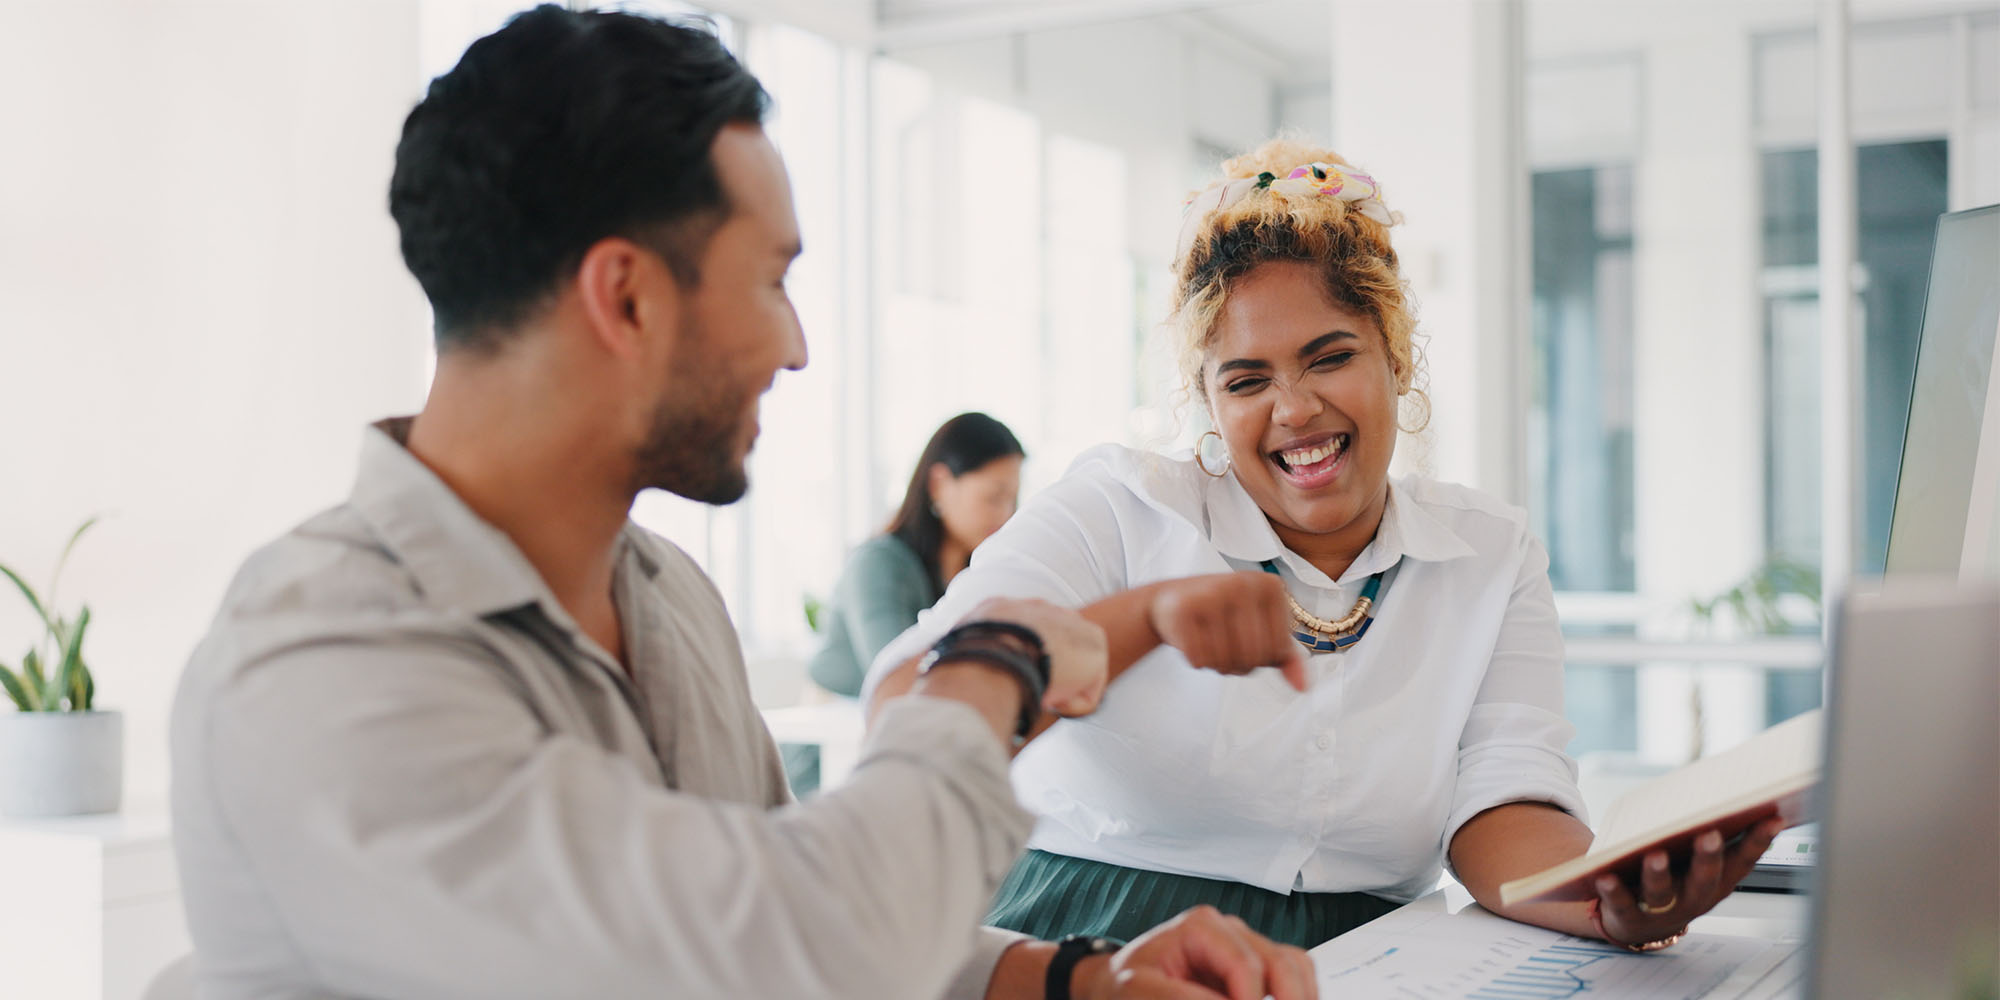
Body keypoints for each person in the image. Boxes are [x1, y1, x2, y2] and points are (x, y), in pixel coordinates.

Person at [167, 10, 1317, 1000]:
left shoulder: (666, 596)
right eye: (771, 280)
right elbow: (795, 947)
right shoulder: (322, 665)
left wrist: (1076, 978)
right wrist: (994, 659)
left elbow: (778, 895)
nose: (798, 344)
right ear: (625, 296)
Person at [866, 139, 1783, 952]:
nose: (1294, 409)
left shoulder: (1489, 550)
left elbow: (1504, 798)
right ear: (1211, 402)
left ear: (1397, 356)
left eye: (1330, 357)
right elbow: (913, 697)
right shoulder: (1119, 508)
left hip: (1373, 958)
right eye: (1247, 378)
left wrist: (1604, 903)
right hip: (1094, 940)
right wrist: (1139, 620)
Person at [809, 412, 1026, 698]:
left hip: (915, 721)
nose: (1006, 514)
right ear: (939, 483)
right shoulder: (877, 562)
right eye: (993, 498)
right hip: (833, 729)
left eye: (1013, 499)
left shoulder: (976, 570)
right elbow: (896, 672)